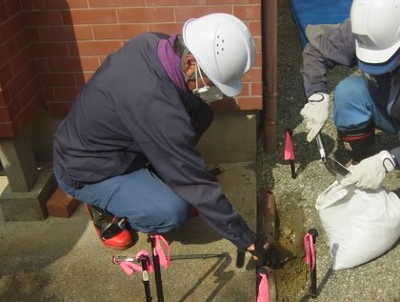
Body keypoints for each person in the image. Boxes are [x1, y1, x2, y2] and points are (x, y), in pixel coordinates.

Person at [52, 13, 282, 267]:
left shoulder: (157, 44)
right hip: (87, 169)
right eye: (213, 80)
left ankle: (153, 178)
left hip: (114, 143)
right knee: (173, 212)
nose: (215, 89)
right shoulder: (154, 104)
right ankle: (105, 209)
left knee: (200, 112)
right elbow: (195, 182)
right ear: (191, 62)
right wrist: (248, 240)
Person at [300, 0, 400, 190]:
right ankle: (361, 160)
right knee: (348, 93)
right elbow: (316, 52)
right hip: (387, 102)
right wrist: (317, 96)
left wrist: (390, 159)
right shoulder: (371, 28)